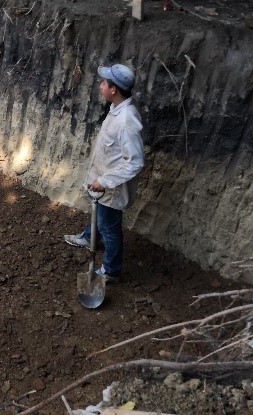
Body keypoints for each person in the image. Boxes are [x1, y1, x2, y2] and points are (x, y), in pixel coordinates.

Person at [64, 64, 145, 283]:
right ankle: (88, 237)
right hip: (102, 180)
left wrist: (105, 181)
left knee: (109, 227)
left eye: (103, 83)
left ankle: (111, 270)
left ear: (114, 90)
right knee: (98, 214)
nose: (100, 86)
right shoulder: (117, 109)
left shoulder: (127, 120)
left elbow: (135, 162)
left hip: (112, 188)